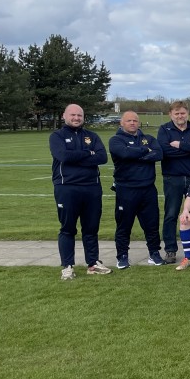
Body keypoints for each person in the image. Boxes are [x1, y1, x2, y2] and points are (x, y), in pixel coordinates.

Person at [50, 103, 112, 279]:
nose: (76, 118)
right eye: (73, 115)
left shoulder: (92, 136)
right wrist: (88, 153)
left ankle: (93, 263)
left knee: (91, 228)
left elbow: (102, 157)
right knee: (68, 228)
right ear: (64, 116)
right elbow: (63, 156)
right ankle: (67, 266)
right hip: (67, 187)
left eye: (79, 115)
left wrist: (77, 155)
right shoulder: (57, 136)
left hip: (92, 187)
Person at [109, 110, 164, 269]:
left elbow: (159, 154)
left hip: (148, 189)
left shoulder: (148, 138)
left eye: (135, 120)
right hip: (126, 189)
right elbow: (124, 154)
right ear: (122, 123)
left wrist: (137, 155)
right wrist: (145, 151)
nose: (132, 123)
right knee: (124, 225)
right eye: (129, 120)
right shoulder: (116, 140)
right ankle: (122, 256)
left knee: (152, 224)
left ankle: (154, 253)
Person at [158, 101, 190, 263]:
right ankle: (170, 250)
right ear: (171, 114)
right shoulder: (164, 130)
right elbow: (165, 151)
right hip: (172, 178)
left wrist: (180, 145)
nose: (180, 116)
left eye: (183, 113)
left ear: (187, 113)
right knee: (171, 214)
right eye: (177, 113)